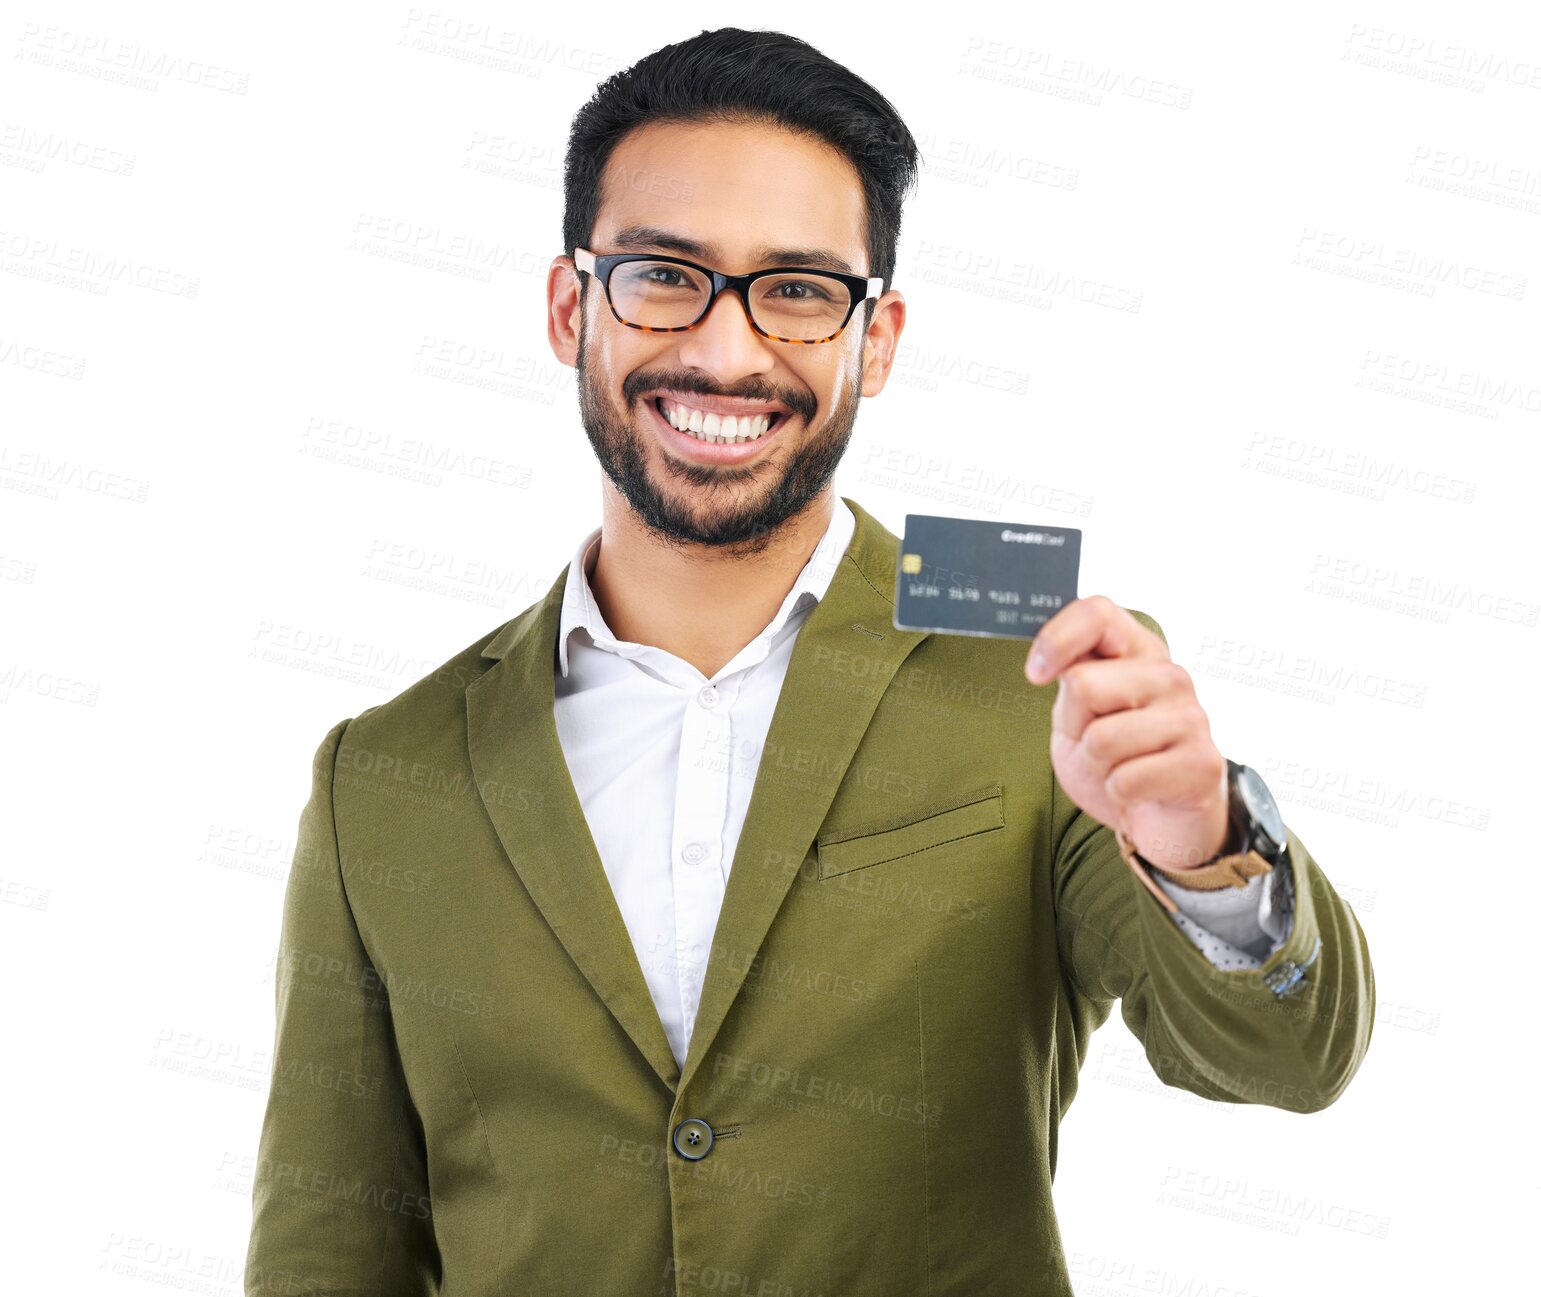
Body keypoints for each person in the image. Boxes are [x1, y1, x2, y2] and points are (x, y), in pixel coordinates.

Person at [245, 27, 1374, 1297]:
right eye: (663, 275)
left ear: (874, 339)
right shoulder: (381, 776)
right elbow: (325, 1256)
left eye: (795, 290)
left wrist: (1200, 845)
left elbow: (1285, 1060)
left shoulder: (1042, 682)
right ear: (572, 309)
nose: (726, 354)